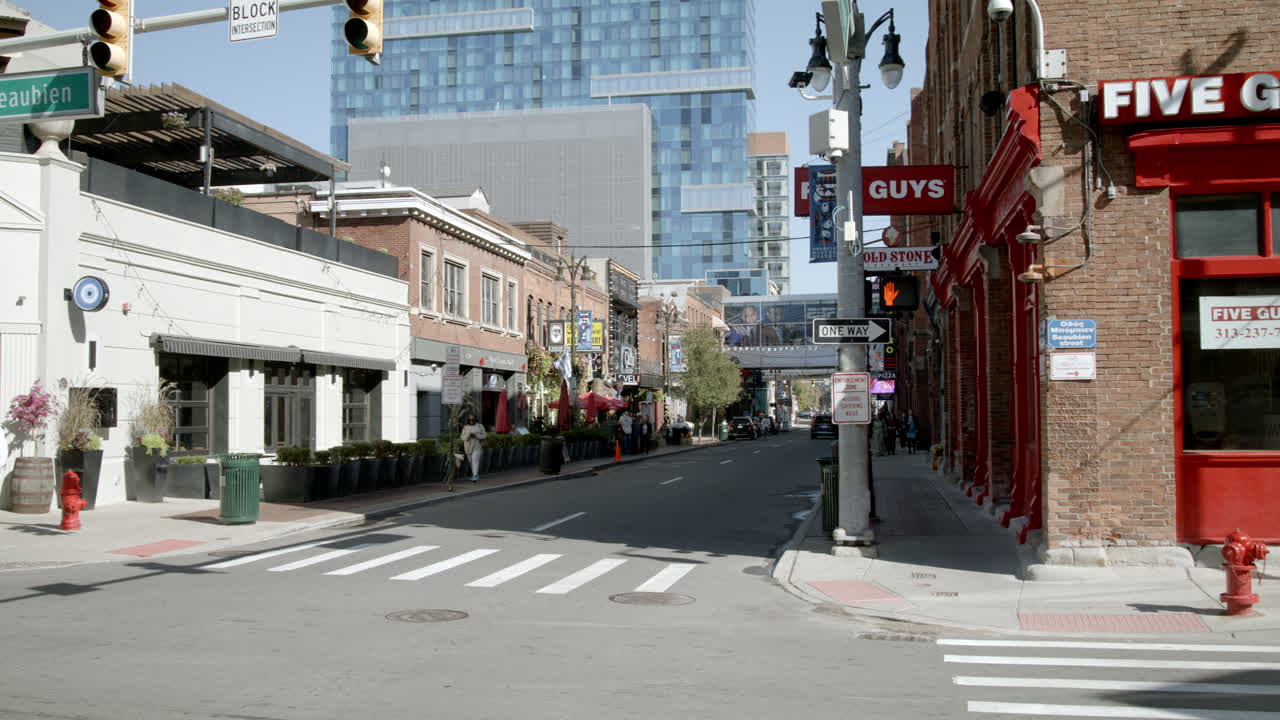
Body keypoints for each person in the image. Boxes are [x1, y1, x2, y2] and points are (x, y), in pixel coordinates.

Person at [460, 415, 487, 483]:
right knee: (471, 461)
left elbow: (484, 435)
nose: (471, 421)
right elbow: (462, 437)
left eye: (473, 420)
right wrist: (468, 436)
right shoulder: (465, 427)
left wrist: (476, 436)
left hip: (477, 445)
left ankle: (475, 475)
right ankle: (474, 474)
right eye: (470, 420)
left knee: (475, 460)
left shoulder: (480, 426)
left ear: (475, 419)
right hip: (468, 446)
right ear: (468, 420)